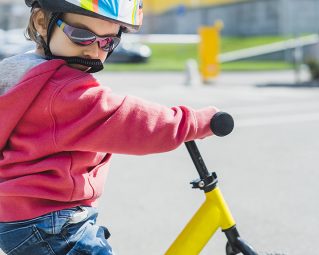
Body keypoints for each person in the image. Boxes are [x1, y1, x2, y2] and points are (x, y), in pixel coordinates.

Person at [0, 0, 218, 254]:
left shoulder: (15, 73)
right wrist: (196, 121)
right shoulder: (65, 91)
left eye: (108, 42)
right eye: (81, 35)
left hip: (18, 219)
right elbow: (132, 121)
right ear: (40, 22)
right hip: (53, 224)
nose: (94, 51)